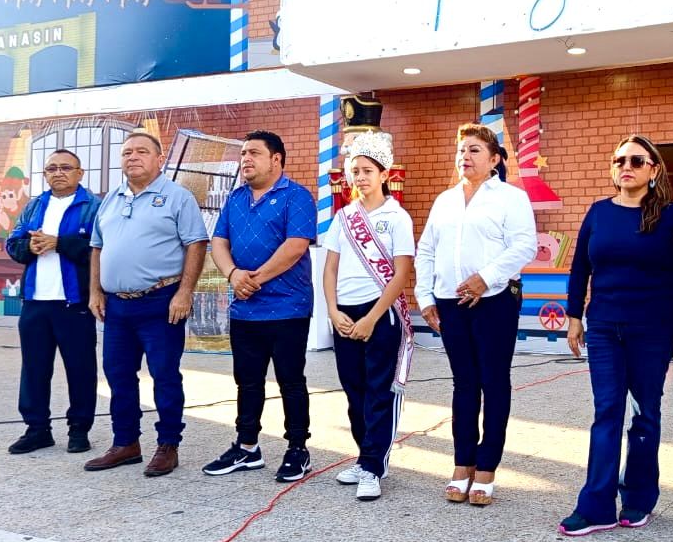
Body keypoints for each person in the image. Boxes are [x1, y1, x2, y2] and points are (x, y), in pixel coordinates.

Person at [558, 136, 673, 536]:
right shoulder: (599, 212)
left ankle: (638, 497)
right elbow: (580, 268)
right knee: (607, 411)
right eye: (619, 160)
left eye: (637, 161)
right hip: (604, 326)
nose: (627, 167)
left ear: (654, 169)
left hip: (652, 328)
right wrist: (574, 317)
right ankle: (596, 506)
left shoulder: (671, 215)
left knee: (644, 413)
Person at [415, 123, 536, 506]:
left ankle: (486, 467)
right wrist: (425, 297)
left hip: (494, 299)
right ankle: (462, 463)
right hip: (450, 301)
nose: (464, 157)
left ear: (494, 159)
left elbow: (524, 246)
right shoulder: (445, 200)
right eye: (461, 150)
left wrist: (486, 278)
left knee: (494, 381)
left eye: (474, 150)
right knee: (464, 383)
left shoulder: (511, 198)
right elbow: (426, 250)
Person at [84, 132, 209, 477]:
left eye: (142, 151)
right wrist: (95, 291)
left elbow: (196, 244)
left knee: (164, 375)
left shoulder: (177, 197)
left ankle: (168, 444)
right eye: (127, 153)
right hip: (117, 307)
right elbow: (97, 247)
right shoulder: (111, 199)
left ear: (158, 159)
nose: (133, 157)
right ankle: (126, 443)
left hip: (161, 302)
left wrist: (185, 292)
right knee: (118, 375)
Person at [202, 131, 317, 484]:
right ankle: (247, 446)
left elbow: (296, 246)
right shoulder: (235, 198)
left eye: (253, 153)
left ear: (276, 159)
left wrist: (255, 279)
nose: (245, 159)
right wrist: (233, 274)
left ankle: (297, 448)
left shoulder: (296, 196)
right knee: (247, 381)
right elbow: (218, 241)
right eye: (243, 154)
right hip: (245, 309)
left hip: (287, 308)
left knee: (290, 380)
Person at [322, 132, 415, 502]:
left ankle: (374, 466)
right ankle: (365, 458)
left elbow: (401, 273)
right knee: (353, 390)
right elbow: (330, 268)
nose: (359, 178)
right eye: (355, 171)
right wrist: (333, 311)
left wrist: (372, 317)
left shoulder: (397, 217)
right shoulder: (343, 218)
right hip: (345, 314)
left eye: (367, 171)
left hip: (380, 313)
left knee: (378, 391)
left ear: (384, 174)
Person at [4, 150, 100, 455]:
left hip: (74, 302)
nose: (58, 173)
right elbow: (13, 243)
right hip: (35, 302)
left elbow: (100, 249)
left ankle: (79, 430)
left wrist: (59, 243)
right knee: (34, 369)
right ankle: (37, 430)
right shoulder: (34, 205)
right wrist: (30, 246)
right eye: (52, 168)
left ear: (80, 173)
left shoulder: (93, 206)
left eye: (66, 168)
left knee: (80, 369)